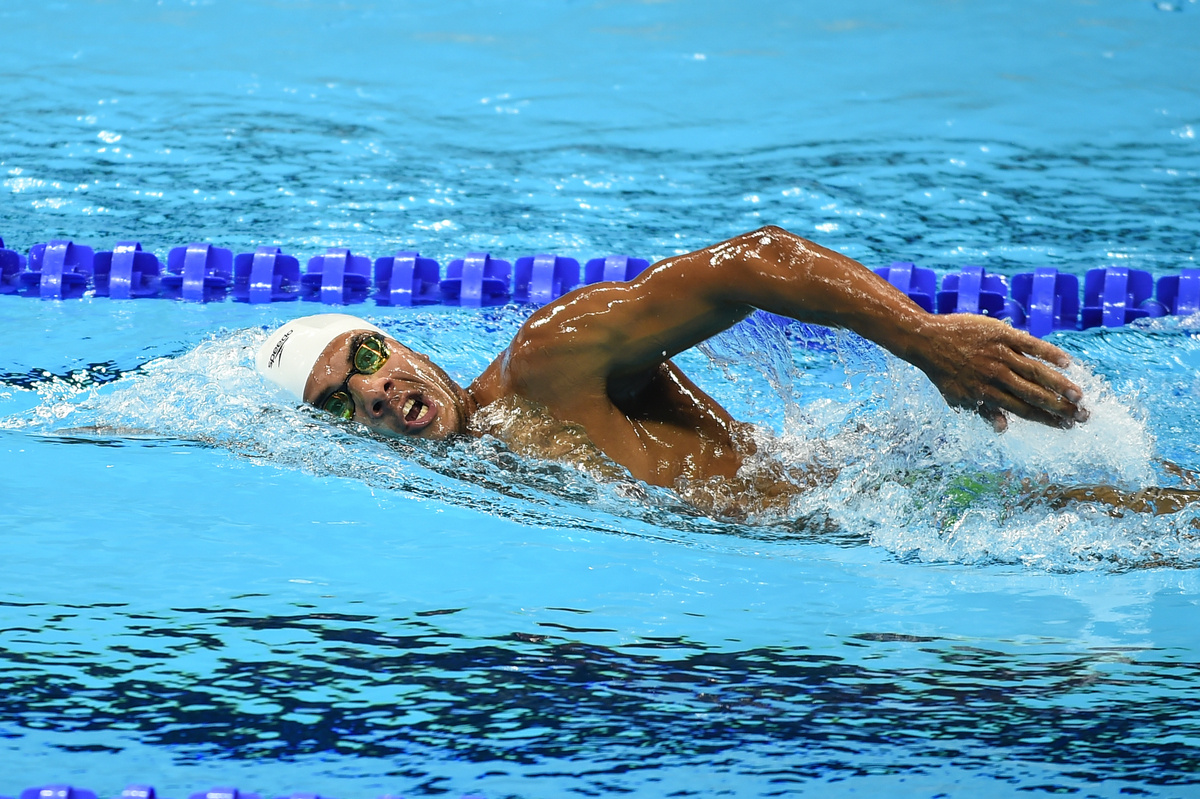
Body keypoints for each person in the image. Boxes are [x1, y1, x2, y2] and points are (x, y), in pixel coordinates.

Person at [258, 226, 1197, 515]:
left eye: (368, 358)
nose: (373, 390)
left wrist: (921, 339)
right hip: (839, 505)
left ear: (402, 345)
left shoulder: (547, 358)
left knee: (1136, 516)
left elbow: (751, 260)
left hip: (869, 503)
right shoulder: (466, 462)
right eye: (341, 402)